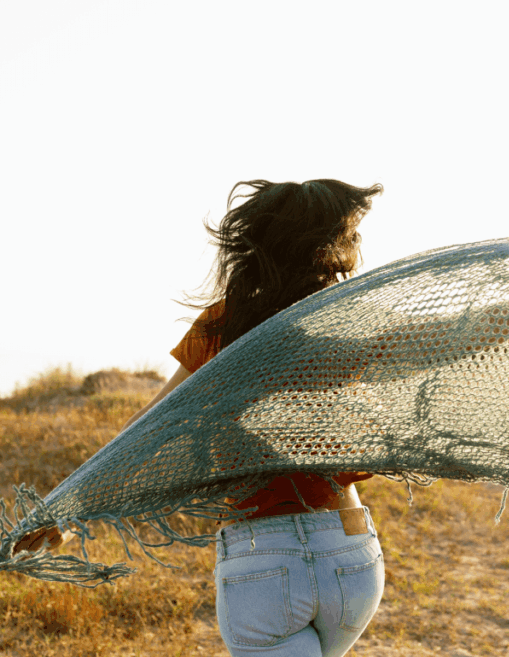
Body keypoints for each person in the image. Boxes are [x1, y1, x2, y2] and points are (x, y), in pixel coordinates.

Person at [121, 179, 386, 657]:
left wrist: (64, 508)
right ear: (327, 249)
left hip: (262, 559)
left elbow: (148, 428)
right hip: (349, 553)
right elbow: (453, 342)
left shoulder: (222, 327)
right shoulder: (351, 322)